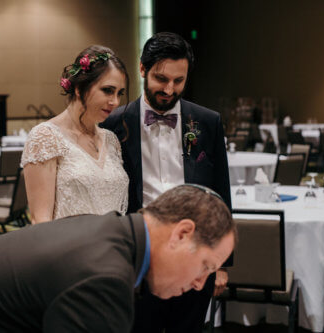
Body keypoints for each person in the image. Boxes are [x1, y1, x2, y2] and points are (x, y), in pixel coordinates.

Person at [0, 185, 236, 332]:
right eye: (206, 266)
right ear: (182, 233)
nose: (200, 284)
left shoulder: (111, 233)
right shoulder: (105, 278)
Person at [101, 32, 232, 332]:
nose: (170, 89)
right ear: (143, 69)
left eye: (179, 81)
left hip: (195, 257)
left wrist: (221, 263)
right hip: (139, 255)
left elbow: (220, 193)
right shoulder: (113, 123)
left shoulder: (207, 122)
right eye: (161, 79)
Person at [21, 45, 130, 223]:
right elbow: (40, 221)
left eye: (120, 93)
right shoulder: (45, 137)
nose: (115, 102)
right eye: (108, 90)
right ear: (79, 88)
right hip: (69, 247)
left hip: (113, 246)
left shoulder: (111, 139)